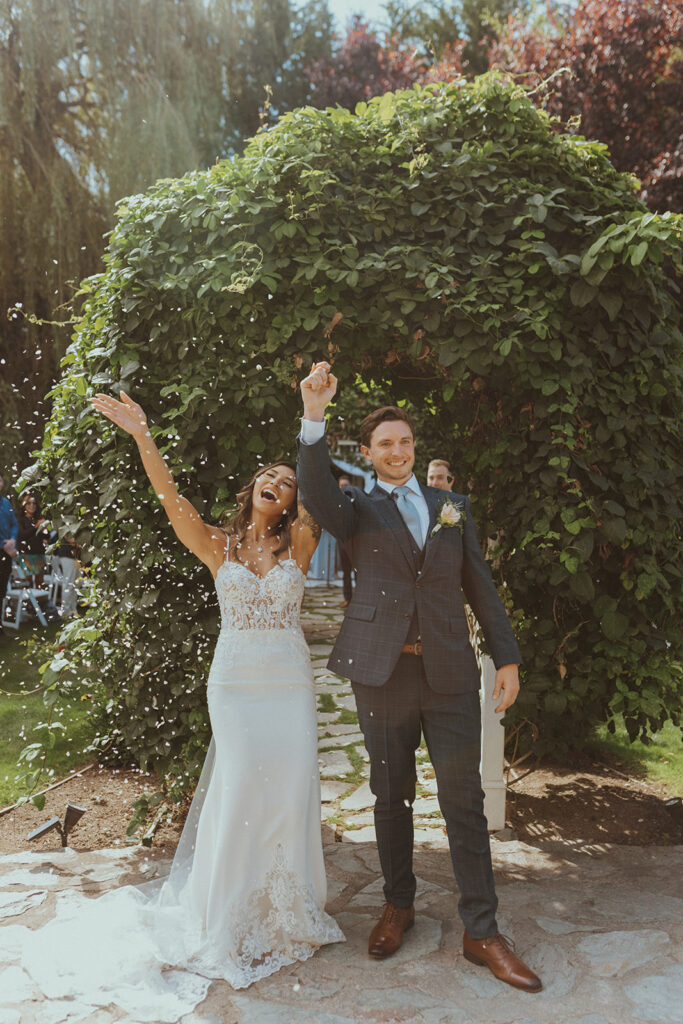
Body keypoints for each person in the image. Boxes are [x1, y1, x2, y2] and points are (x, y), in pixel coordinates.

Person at [12, 390, 343, 1018]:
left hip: (290, 681)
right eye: (270, 477)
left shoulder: (301, 540)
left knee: (293, 781)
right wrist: (143, 435)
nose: (281, 484)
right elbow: (170, 498)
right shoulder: (215, 544)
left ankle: (286, 908)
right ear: (251, 490)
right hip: (238, 682)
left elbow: (321, 483)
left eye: (290, 483)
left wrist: (315, 419)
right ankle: (228, 909)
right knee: (244, 782)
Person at [297, 361, 542, 993]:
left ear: (416, 449)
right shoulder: (352, 507)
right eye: (385, 444)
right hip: (381, 675)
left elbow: (481, 590)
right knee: (390, 796)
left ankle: (481, 931)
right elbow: (316, 494)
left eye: (405, 442)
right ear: (370, 454)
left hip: (451, 674)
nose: (398, 451)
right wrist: (314, 416)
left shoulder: (450, 507)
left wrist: (507, 657)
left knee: (465, 800)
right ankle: (397, 905)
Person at [16, 493, 49, 583]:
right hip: (26, 554)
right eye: (29, 503)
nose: (32, 505)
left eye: (34, 503)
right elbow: (22, 535)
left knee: (40, 582)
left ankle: (40, 597)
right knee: (28, 582)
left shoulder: (38, 519)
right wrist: (36, 526)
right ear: (24, 505)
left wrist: (45, 528)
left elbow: (46, 536)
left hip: (39, 553)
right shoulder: (20, 520)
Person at [0, 471, 19, 627]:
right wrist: (3, 545)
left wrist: (12, 540)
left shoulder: (6, 503)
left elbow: (14, 524)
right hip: (2, 548)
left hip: (6, 552)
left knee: (2, 589)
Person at [336, 474, 355, 606]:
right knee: (346, 572)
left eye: (346, 485)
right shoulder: (335, 502)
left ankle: (361, 598)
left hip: (357, 541)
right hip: (342, 541)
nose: (344, 488)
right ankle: (348, 598)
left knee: (359, 572)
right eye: (342, 485)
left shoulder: (357, 501)